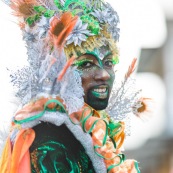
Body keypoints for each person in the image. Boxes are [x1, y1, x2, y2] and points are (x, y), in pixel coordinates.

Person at [0, 0, 144, 172]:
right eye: (86, 64)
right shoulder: (51, 142)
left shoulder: (87, 132)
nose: (104, 74)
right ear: (56, 69)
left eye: (108, 62)